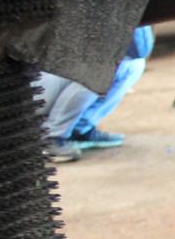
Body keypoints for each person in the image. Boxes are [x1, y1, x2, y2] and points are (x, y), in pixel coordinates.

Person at [36, 25, 154, 162]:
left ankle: (79, 129)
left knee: (133, 65)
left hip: (49, 81)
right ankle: (51, 137)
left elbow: (139, 51)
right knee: (98, 69)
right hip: (29, 93)